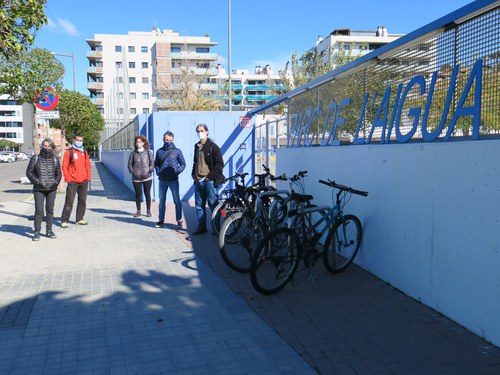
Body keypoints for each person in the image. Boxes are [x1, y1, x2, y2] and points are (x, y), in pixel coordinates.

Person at [26, 138, 62, 241]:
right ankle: (37, 231)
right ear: (42, 146)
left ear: (52, 147)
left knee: (50, 210)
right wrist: (37, 181)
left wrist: (55, 182)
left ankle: (49, 230)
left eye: (49, 146)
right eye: (45, 146)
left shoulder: (55, 159)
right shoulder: (35, 158)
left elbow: (59, 173)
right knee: (39, 211)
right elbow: (29, 173)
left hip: (51, 189)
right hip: (39, 189)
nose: (46, 148)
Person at [191, 123, 225, 235]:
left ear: (207, 132)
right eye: (198, 131)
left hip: (209, 181)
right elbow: (195, 162)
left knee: (213, 204)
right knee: (199, 206)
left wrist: (209, 177)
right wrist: (193, 175)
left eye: (202, 131)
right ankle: (202, 227)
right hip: (198, 180)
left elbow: (219, 164)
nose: (200, 133)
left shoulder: (213, 147)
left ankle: (216, 228)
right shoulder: (196, 146)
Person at [154, 131, 186, 228]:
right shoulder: (159, 151)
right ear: (163, 140)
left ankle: (179, 219)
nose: (168, 142)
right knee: (162, 201)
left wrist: (177, 171)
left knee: (177, 201)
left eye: (170, 140)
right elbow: (156, 164)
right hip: (162, 180)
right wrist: (158, 171)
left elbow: (183, 164)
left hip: (173, 180)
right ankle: (161, 220)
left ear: (173, 140)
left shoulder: (177, 151)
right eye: (166, 140)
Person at [60, 134, 91, 228]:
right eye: (78, 140)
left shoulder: (84, 152)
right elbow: (64, 166)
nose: (79, 142)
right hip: (73, 181)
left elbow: (88, 165)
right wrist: (68, 179)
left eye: (81, 140)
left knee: (82, 201)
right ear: (74, 140)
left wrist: (88, 177)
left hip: (84, 180)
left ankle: (79, 219)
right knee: (69, 201)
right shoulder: (69, 152)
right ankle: (65, 220)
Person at [128, 135, 154, 218]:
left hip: (147, 177)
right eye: (137, 142)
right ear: (135, 144)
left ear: (143, 143)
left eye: (140, 142)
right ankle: (138, 211)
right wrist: (133, 172)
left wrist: (150, 170)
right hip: (136, 178)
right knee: (138, 194)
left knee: (147, 194)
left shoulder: (148, 152)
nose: (138, 144)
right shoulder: (133, 153)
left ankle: (148, 210)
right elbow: (129, 164)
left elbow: (152, 162)